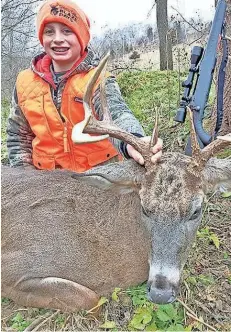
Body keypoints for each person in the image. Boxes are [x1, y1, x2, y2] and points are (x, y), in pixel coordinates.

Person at [7, 0, 163, 172]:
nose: (58, 39)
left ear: (81, 36)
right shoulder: (25, 82)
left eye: (67, 31)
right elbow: (18, 137)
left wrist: (134, 141)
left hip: (97, 179)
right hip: (47, 183)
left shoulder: (97, 79)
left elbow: (118, 113)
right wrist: (23, 179)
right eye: (49, 32)